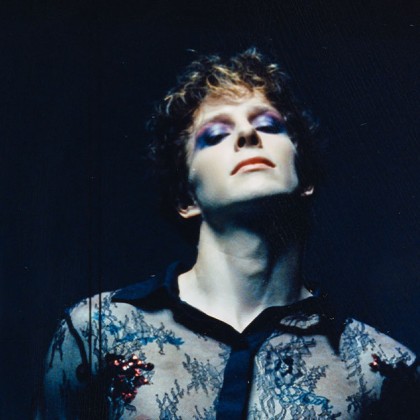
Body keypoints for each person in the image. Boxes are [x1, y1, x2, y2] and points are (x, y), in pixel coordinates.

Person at [37, 49, 418, 419]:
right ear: (186, 197)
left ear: (305, 178)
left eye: (269, 125)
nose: (248, 134)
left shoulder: (382, 367)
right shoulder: (98, 330)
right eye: (216, 134)